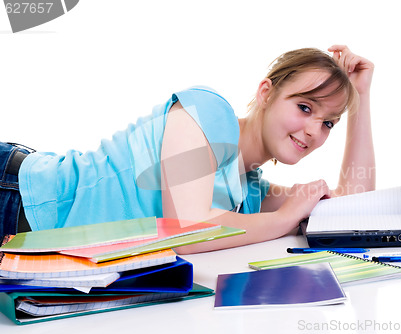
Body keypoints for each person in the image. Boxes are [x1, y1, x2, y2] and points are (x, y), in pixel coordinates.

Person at [0, 45, 375, 254]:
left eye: (328, 123)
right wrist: (285, 216)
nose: (314, 131)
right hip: (15, 196)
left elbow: (352, 208)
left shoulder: (247, 192)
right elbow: (186, 229)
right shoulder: (208, 114)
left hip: (30, 237)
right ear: (266, 93)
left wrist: (360, 98)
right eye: (305, 108)